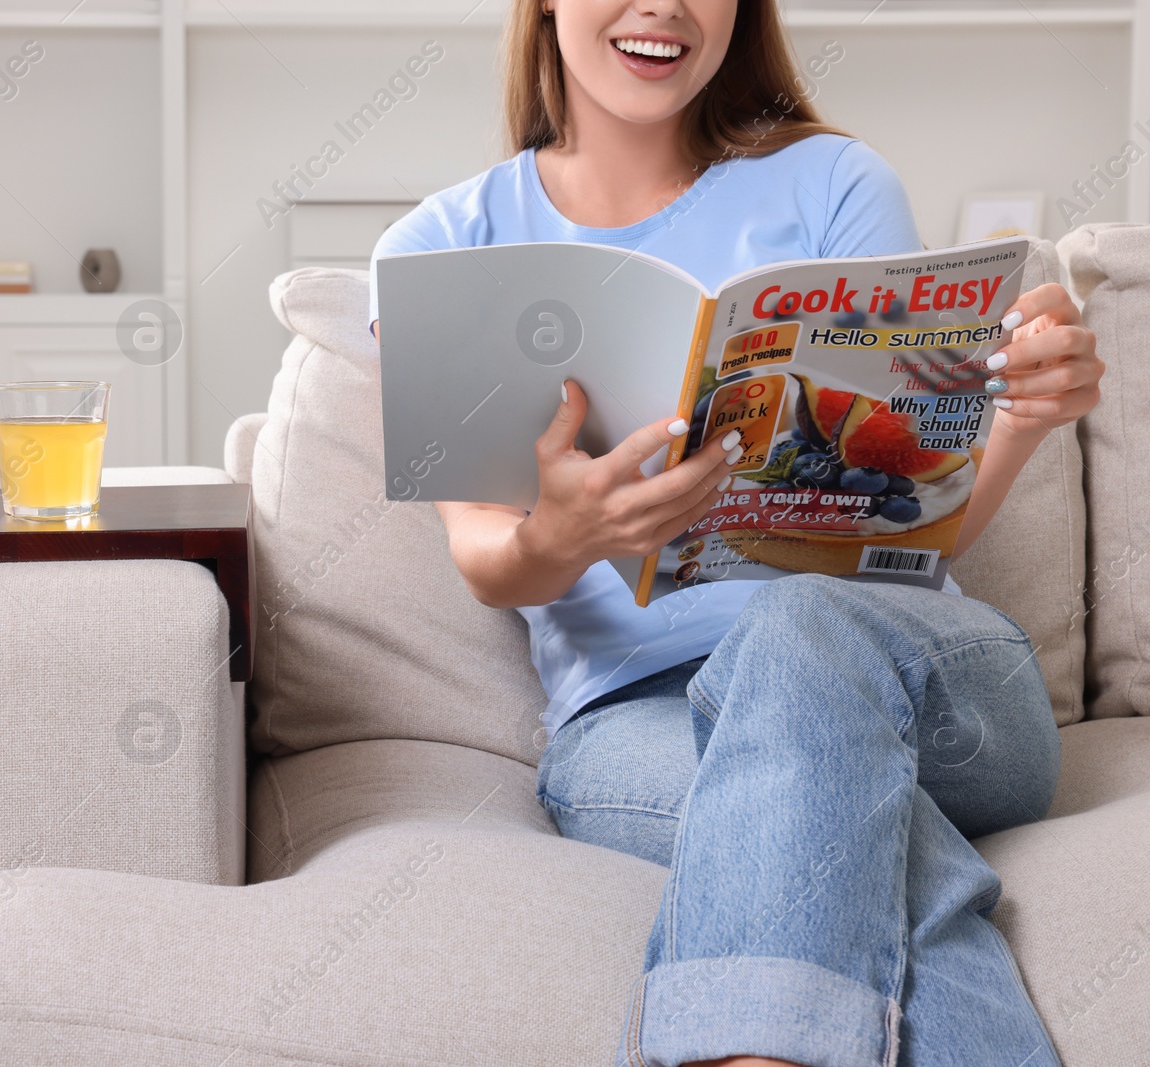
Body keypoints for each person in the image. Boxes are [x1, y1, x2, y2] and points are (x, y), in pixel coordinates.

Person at [366, 2, 1105, 1065]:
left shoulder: (836, 184)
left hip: (918, 682)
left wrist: (1023, 423)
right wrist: (567, 534)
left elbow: (914, 534)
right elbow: (486, 559)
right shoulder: (442, 246)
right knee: (872, 857)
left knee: (803, 621)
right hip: (638, 721)